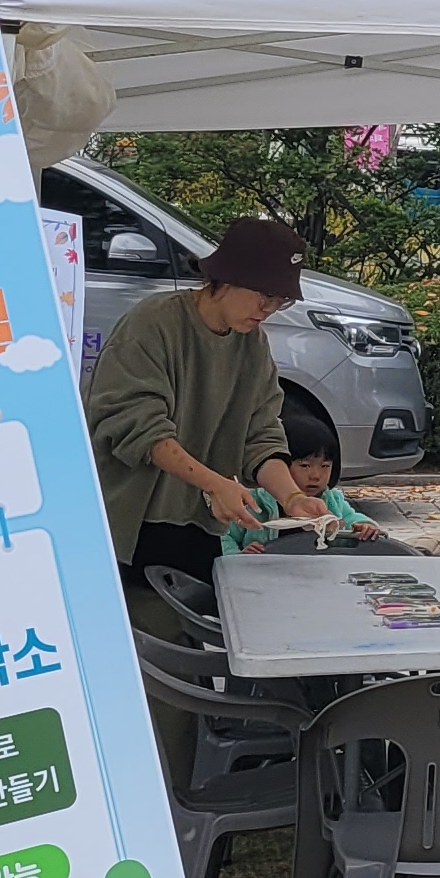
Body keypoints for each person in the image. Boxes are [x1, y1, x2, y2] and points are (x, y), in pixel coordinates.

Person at [85, 216, 320, 600]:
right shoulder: (153, 323)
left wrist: (293, 498)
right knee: (147, 629)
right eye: (264, 295)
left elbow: (261, 434)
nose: (268, 309)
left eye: (280, 301)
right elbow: (138, 426)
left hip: (200, 523)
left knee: (198, 627)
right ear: (227, 278)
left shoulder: (253, 345)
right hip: (132, 519)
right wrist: (215, 484)